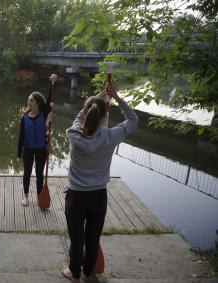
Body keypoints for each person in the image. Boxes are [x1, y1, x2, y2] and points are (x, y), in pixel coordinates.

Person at [62, 81, 138, 283]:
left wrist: (96, 100)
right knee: (93, 238)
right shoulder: (112, 136)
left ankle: (74, 273)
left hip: (76, 195)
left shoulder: (74, 135)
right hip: (98, 196)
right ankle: (88, 272)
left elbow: (80, 118)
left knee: (77, 238)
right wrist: (117, 98)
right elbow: (133, 120)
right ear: (105, 115)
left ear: (87, 113)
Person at [16, 74, 58, 206]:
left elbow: (50, 99)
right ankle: (26, 196)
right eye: (28, 101)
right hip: (28, 149)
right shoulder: (24, 118)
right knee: (27, 173)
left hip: (41, 149)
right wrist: (18, 155)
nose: (29, 103)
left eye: (31, 101)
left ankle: (40, 196)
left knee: (39, 174)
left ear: (38, 103)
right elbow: (21, 137)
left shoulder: (44, 113)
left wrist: (52, 84)